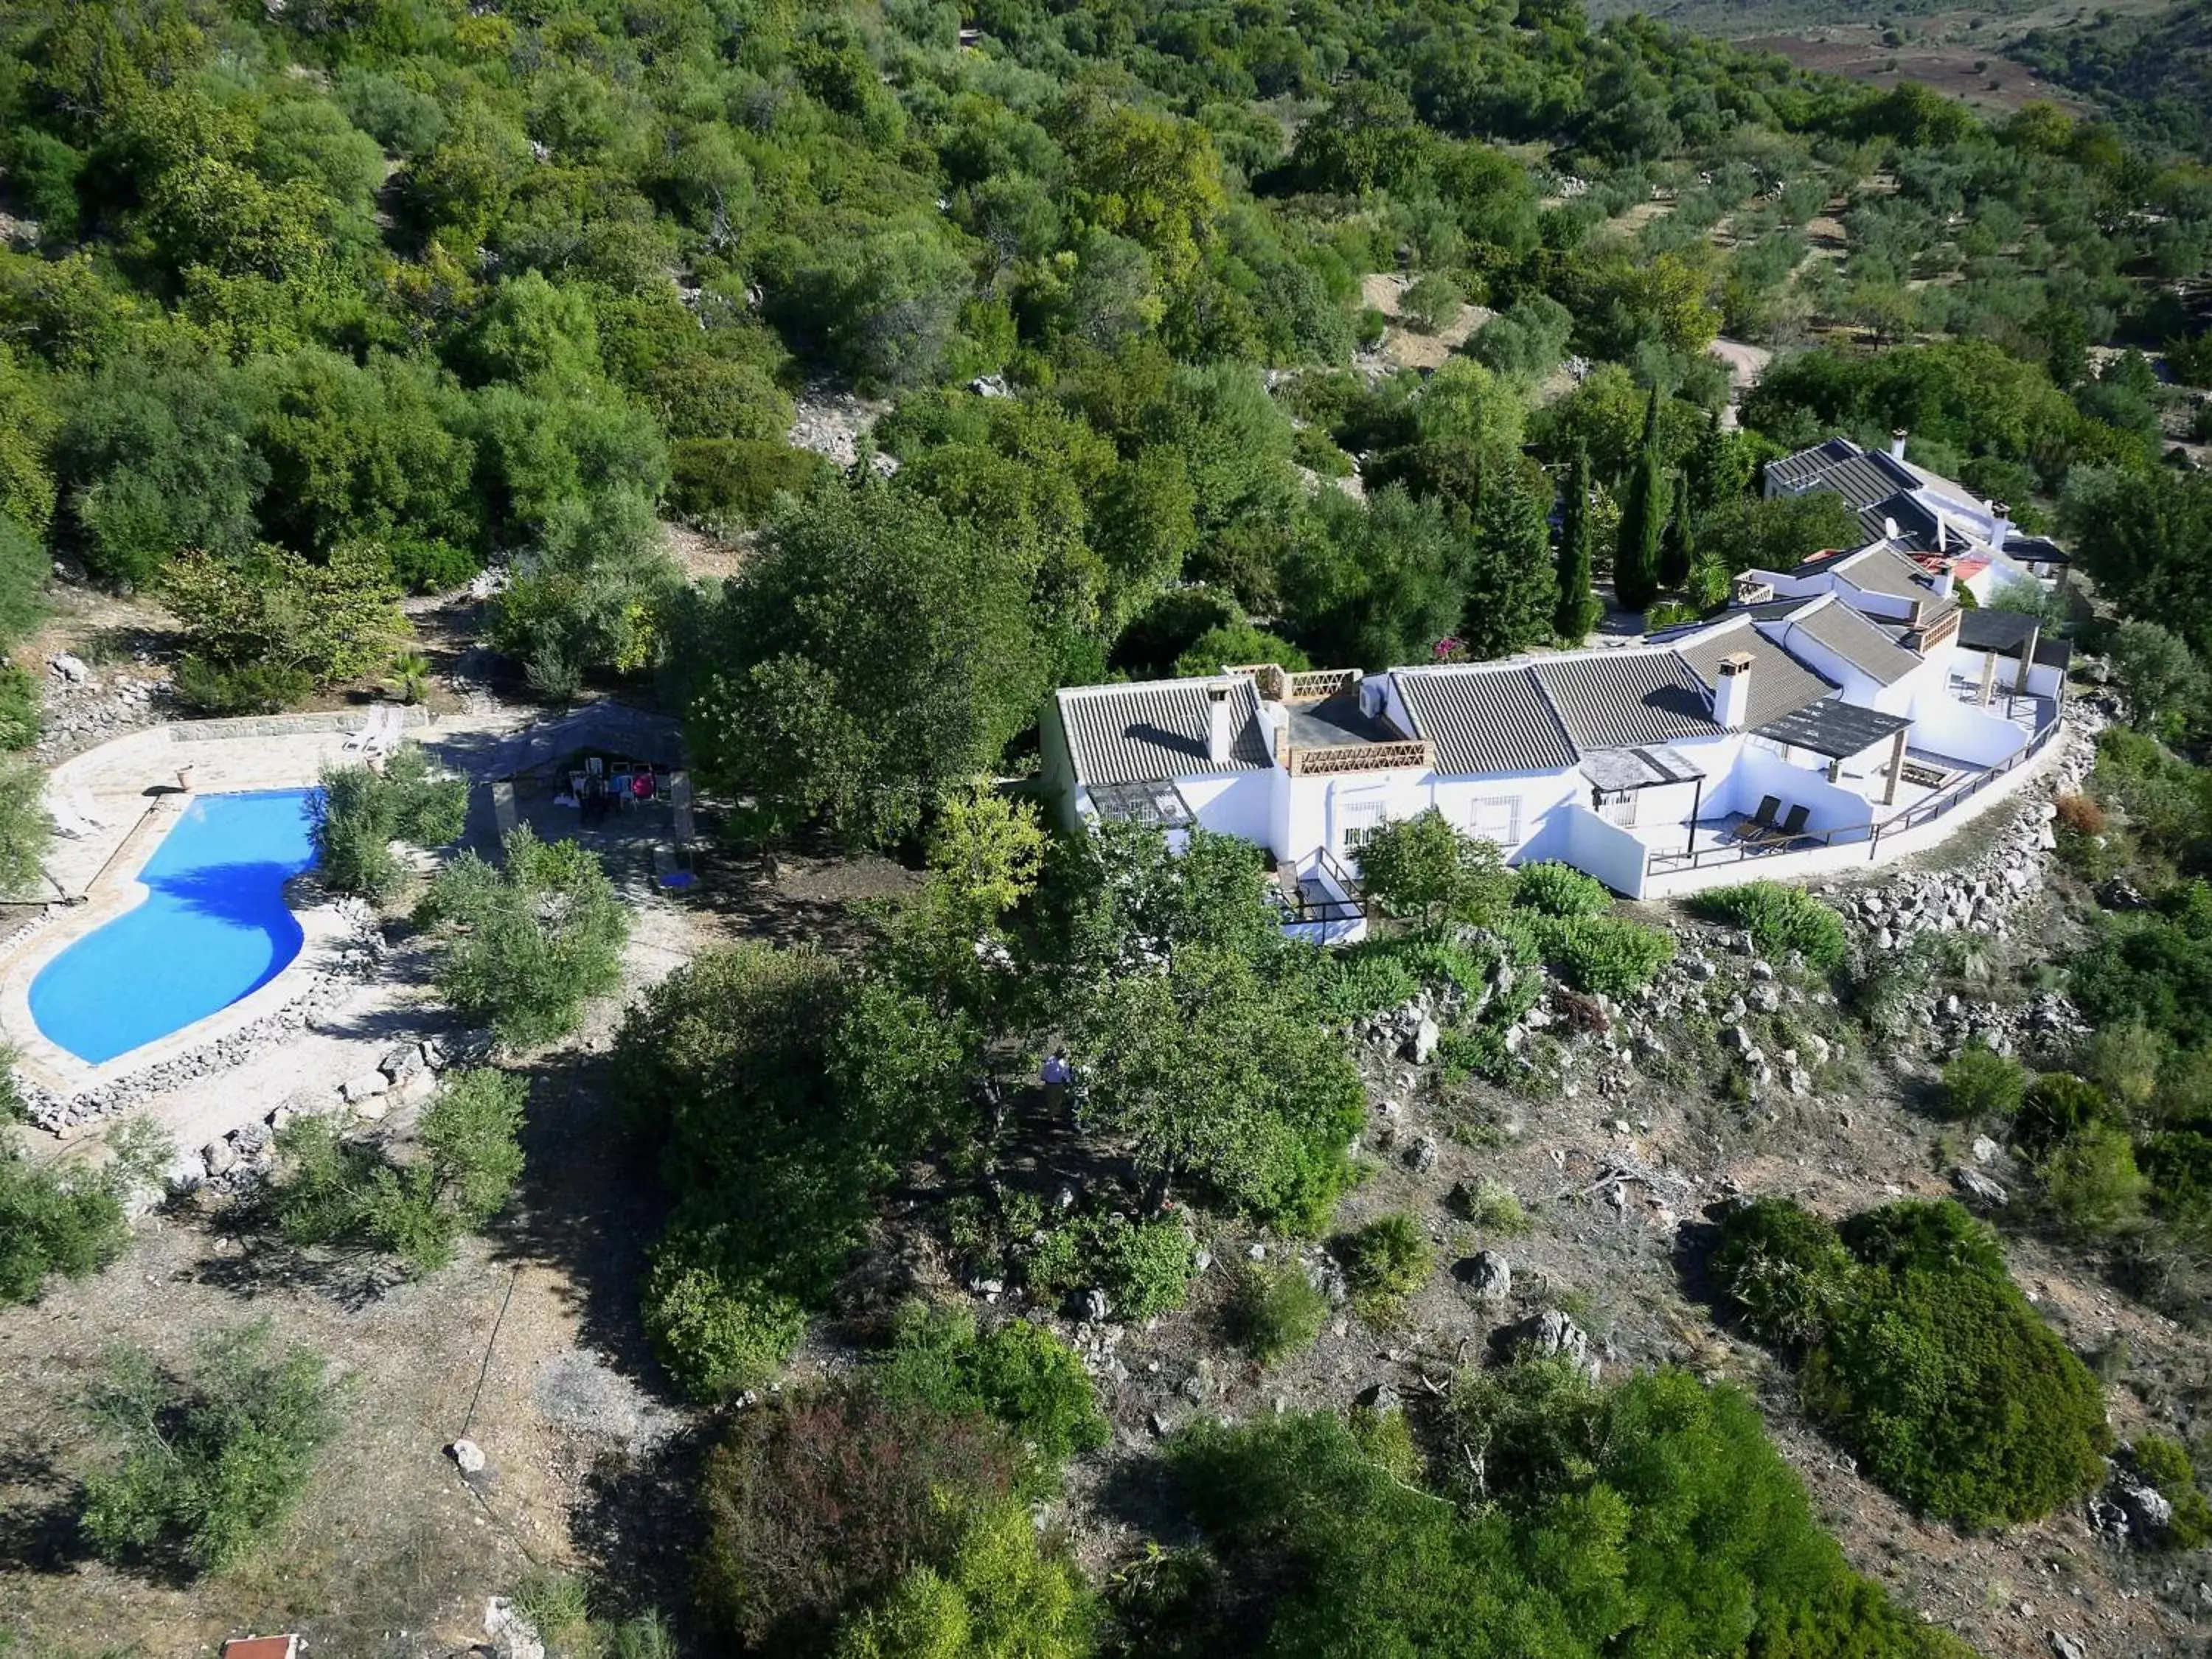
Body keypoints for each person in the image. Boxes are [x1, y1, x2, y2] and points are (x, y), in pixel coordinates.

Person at [1042, 1047, 1072, 1112]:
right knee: (1051, 1100)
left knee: (1058, 1100)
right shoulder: (1051, 1060)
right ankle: (1051, 1115)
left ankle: (1054, 1113)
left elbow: (1065, 1071)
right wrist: (1044, 1077)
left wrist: (1068, 1080)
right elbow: (1046, 1069)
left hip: (1060, 1083)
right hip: (1051, 1083)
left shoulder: (1063, 1061)